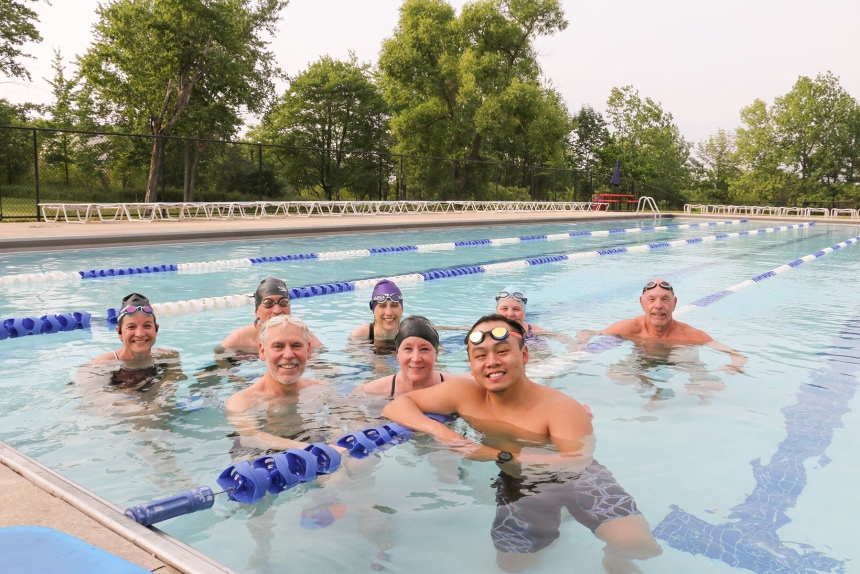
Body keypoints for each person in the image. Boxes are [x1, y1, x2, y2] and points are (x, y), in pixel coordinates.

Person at [382, 314, 661, 572]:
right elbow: (397, 407)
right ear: (472, 364)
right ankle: (552, 522)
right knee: (511, 564)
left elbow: (577, 461)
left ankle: (613, 553)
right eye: (480, 355)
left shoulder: (560, 408)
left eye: (502, 351)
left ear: (524, 354)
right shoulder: (464, 394)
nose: (491, 362)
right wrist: (442, 432)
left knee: (640, 546)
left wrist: (497, 456)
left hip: (577, 481)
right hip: (519, 483)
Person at [225, 314, 339, 454]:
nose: (288, 355)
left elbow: (339, 426)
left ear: (308, 350)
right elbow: (250, 437)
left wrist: (336, 445)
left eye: (296, 345)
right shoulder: (242, 401)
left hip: (311, 441)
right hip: (262, 457)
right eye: (278, 346)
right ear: (262, 351)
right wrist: (308, 449)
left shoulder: (323, 389)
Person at [578, 278, 746, 372]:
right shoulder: (629, 328)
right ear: (642, 303)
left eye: (665, 299)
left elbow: (736, 354)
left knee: (711, 386)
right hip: (641, 362)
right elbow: (588, 333)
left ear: (674, 303)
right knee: (615, 376)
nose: (658, 306)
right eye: (651, 299)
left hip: (681, 361)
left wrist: (734, 365)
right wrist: (582, 344)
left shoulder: (689, 334)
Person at [354, 316, 468, 397]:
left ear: (436, 354)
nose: (416, 358)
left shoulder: (457, 387)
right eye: (408, 349)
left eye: (424, 349)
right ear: (398, 354)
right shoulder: (372, 390)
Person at [221, 277, 322, 352]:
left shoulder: (305, 338)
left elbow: (326, 369)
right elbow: (220, 368)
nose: (277, 310)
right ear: (257, 313)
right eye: (268, 303)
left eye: (283, 302)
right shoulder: (239, 340)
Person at [494, 285, 579, 352]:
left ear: (524, 312)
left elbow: (558, 336)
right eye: (504, 309)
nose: (510, 314)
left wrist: (572, 345)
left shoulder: (532, 330)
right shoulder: (489, 333)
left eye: (516, 309)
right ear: (496, 312)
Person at [349, 279, 403, 352]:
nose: (389, 313)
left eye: (394, 305)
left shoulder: (409, 334)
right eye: (382, 306)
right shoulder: (361, 336)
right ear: (373, 310)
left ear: (401, 309)